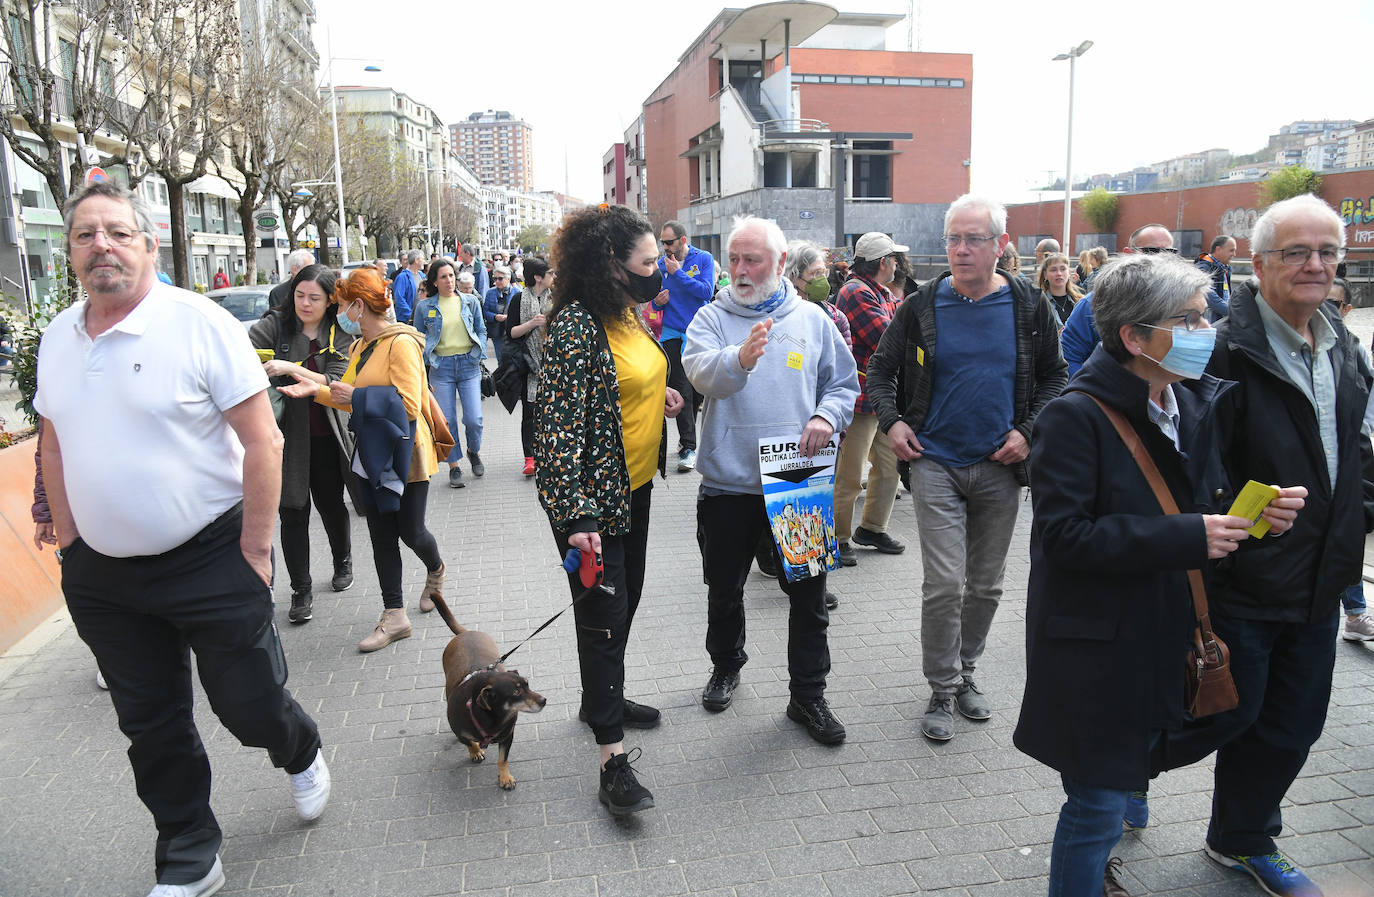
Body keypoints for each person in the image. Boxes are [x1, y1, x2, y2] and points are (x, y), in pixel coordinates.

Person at [36, 180, 326, 897]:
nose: (101, 244)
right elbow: (51, 444)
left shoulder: (199, 323)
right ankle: (189, 843)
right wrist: (71, 543)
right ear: (71, 251)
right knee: (151, 720)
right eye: (85, 234)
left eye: (117, 232)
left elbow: (263, 441)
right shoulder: (57, 340)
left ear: (148, 244)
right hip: (105, 578)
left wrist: (257, 553)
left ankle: (300, 747)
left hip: (212, 554)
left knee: (248, 702)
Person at [1012, 253, 1305, 897]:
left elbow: (1193, 509)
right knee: (1094, 806)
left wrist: (1251, 520)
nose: (1208, 328)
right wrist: (1189, 534)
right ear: (1134, 338)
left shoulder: (1186, 401)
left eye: (1206, 314)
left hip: (1166, 632)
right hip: (1098, 646)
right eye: (1189, 318)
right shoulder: (1073, 415)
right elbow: (1063, 537)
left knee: (1119, 784)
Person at [1155, 194, 1374, 897]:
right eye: (1296, 253)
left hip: (1319, 575)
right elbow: (1184, 463)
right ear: (1257, 265)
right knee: (1214, 714)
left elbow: (1357, 447)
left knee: (1292, 724)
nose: (1315, 265)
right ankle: (1113, 775)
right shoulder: (1220, 347)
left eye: (1327, 253)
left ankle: (1241, 837)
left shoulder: (1343, 341)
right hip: (1240, 578)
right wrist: (1235, 522)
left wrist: (1356, 518)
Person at [866, 193, 1068, 743]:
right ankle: (942, 684)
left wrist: (1028, 433)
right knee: (943, 583)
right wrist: (893, 424)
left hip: (1001, 469)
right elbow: (880, 370)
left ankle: (967, 672)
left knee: (985, 585)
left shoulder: (1029, 306)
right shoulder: (922, 305)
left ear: (1000, 246)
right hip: (935, 463)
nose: (959, 249)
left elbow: (1057, 377)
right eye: (952, 238)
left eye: (973, 239)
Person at [684, 215, 859, 744]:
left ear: (780, 264)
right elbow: (699, 372)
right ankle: (726, 665)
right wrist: (739, 358)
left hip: (797, 476)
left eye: (751, 259)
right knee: (724, 590)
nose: (739, 269)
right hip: (729, 482)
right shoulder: (711, 317)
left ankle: (808, 695)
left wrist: (827, 418)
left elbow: (843, 384)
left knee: (808, 598)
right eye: (734, 258)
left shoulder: (811, 319)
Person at [534, 203, 683, 816]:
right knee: (602, 615)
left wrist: (661, 391)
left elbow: (626, 378)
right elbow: (557, 433)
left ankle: (604, 699)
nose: (660, 271)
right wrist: (577, 522)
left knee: (625, 605)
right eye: (647, 262)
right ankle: (611, 759)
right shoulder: (573, 326)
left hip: (637, 487)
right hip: (593, 506)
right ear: (611, 265)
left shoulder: (625, 313)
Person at [280, 268, 448, 652]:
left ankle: (436, 568)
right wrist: (313, 389)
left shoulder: (400, 343)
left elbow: (407, 405)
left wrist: (351, 397)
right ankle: (395, 616)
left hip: (405, 453)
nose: (337, 314)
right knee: (380, 534)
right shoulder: (360, 345)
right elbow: (344, 393)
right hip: (371, 453)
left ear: (358, 305)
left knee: (410, 531)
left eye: (340, 305)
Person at [250, 263, 356, 624]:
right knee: (292, 511)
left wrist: (288, 366)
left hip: (326, 436)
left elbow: (335, 381)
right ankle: (301, 590)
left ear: (329, 301)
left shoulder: (340, 332)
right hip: (284, 439)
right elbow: (242, 354)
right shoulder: (274, 326)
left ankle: (342, 558)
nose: (305, 304)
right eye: (299, 295)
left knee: (330, 504)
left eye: (314, 298)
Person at [833, 232, 907, 568]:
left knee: (889, 465)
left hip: (879, 397)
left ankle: (872, 528)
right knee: (849, 473)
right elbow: (889, 337)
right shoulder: (856, 292)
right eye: (894, 258)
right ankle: (837, 537)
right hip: (860, 398)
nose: (898, 264)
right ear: (882, 262)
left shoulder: (877, 292)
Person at [1060, 224, 1177, 375]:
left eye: (1170, 252)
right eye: (1152, 251)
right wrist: (1094, 393)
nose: (1162, 258)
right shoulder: (1094, 305)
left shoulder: (1182, 306)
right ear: (1129, 254)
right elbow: (1069, 358)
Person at [650, 219, 716, 473]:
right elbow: (654, 304)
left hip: (699, 334)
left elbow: (706, 292)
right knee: (681, 390)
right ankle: (689, 446)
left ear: (683, 241)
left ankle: (689, 438)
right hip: (671, 335)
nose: (665, 247)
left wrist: (678, 273)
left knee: (697, 391)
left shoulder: (703, 259)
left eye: (669, 242)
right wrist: (656, 302)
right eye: (662, 242)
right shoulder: (659, 266)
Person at [412, 262, 487, 486]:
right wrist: (426, 363)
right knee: (447, 420)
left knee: (474, 419)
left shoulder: (470, 301)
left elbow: (481, 330)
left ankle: (473, 451)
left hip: (468, 365)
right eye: (443, 276)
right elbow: (418, 337)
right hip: (440, 367)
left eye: (451, 275)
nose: (449, 280)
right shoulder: (424, 307)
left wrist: (478, 353)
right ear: (435, 281)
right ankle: (454, 466)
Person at [505, 255, 554, 477]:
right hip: (529, 366)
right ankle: (530, 458)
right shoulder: (518, 299)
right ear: (538, 277)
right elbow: (511, 332)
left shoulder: (556, 298)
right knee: (530, 414)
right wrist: (532, 323)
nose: (554, 277)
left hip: (554, 364)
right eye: (550, 273)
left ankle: (549, 454)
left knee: (552, 413)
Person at [483, 265, 520, 365]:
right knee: (500, 359)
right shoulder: (490, 292)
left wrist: (509, 317)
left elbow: (521, 313)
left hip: (512, 330)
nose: (497, 281)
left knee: (512, 359)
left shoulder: (518, 292)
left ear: (508, 279)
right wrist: (495, 317)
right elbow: (485, 311)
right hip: (497, 330)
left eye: (500, 278)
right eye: (495, 278)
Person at [1196, 234, 1237, 321]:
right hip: (1208, 323)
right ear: (1218, 249)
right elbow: (1209, 296)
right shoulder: (1203, 268)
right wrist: (1234, 312)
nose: (1234, 254)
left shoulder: (1224, 268)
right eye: (1231, 250)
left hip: (1221, 320)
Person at [1038, 251, 1084, 328]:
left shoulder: (1081, 302)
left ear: (1069, 272)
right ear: (1045, 275)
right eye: (1053, 270)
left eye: (1063, 269)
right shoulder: (1038, 304)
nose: (1059, 273)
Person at [391, 249, 422, 326]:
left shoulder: (422, 275)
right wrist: (410, 315)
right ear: (416, 260)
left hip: (420, 319)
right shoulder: (402, 277)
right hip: (407, 321)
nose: (424, 261)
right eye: (422, 259)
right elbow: (399, 298)